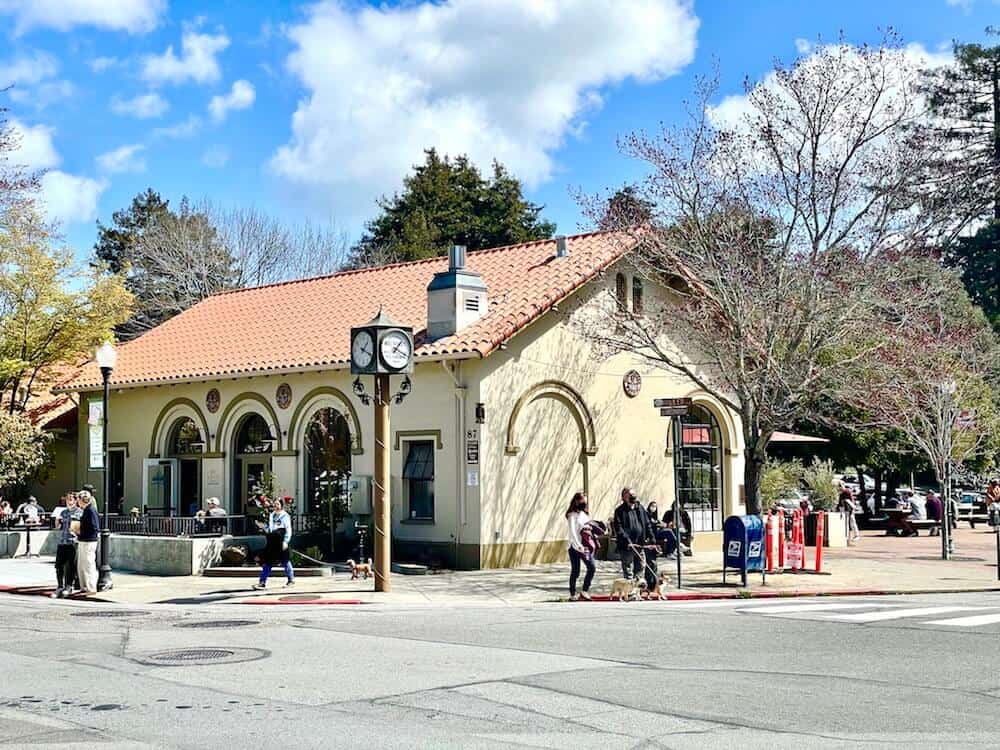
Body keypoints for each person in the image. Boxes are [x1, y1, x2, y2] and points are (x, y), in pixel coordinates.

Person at [613, 488, 657, 589]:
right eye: (630, 494)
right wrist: (626, 539)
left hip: (640, 544)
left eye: (634, 494)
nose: (633, 496)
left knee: (641, 567)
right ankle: (629, 591)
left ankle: (637, 590)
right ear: (624, 497)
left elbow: (647, 523)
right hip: (627, 546)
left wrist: (651, 537)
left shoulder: (640, 508)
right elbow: (618, 528)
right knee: (628, 570)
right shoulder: (619, 511)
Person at [253, 497, 294, 590]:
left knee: (285, 561)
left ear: (281, 505)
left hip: (281, 540)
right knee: (268, 562)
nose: (275, 506)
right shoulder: (272, 515)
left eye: (277, 504)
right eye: (274, 504)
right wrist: (263, 527)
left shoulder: (285, 516)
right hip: (272, 541)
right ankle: (262, 582)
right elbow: (271, 529)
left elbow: (288, 529)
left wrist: (286, 541)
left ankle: (291, 580)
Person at [565, 492, 595, 601]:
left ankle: (584, 590)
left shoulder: (584, 515)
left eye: (586, 501)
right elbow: (572, 532)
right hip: (574, 547)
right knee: (575, 570)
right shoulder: (571, 515)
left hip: (585, 547)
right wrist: (578, 546)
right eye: (583, 501)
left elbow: (589, 527)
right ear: (576, 501)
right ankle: (572, 594)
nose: (585, 503)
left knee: (592, 567)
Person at [53, 493, 82, 598]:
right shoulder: (63, 512)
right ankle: (60, 586)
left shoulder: (79, 512)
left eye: (70, 499)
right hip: (63, 541)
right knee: (58, 565)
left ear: (75, 501)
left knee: (71, 566)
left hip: (72, 542)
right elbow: (58, 527)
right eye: (67, 500)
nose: (68, 502)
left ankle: (69, 586)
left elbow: (79, 529)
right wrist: (57, 520)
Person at [75, 490, 100, 594]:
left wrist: (80, 531)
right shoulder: (86, 510)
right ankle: (84, 586)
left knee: (88, 565)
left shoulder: (90, 510)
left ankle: (91, 587)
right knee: (82, 565)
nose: (77, 502)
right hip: (84, 540)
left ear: (81, 500)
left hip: (88, 541)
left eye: (78, 500)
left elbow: (95, 527)